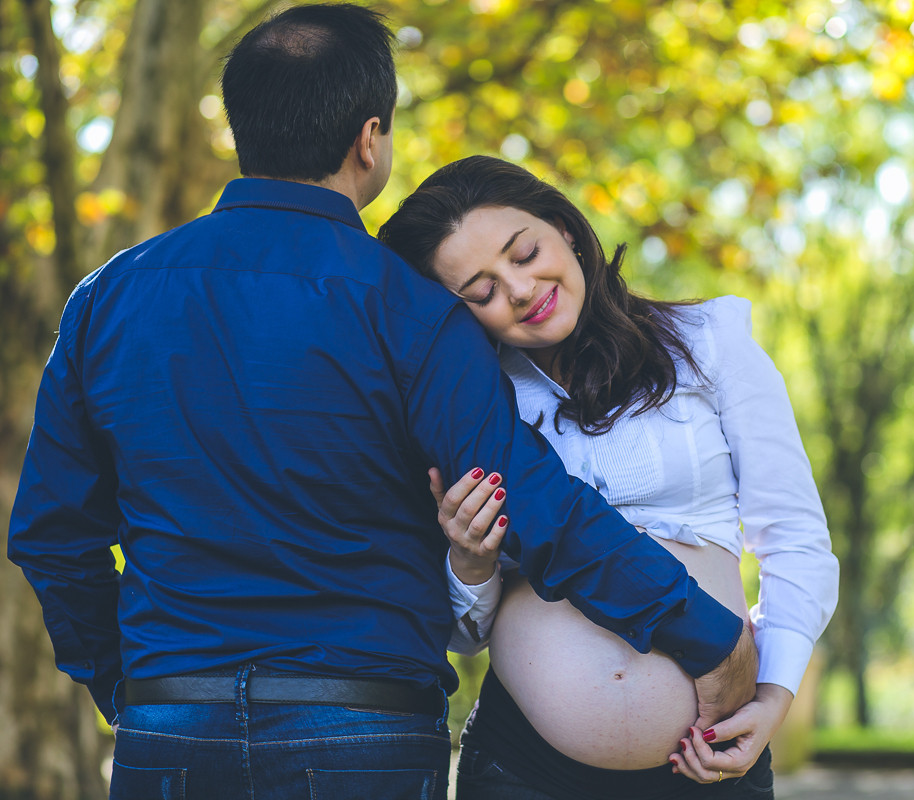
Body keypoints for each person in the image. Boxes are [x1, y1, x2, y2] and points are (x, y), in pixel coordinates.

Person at [5, 7, 758, 800]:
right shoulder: (410, 310)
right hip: (364, 732)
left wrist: (132, 689)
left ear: (243, 127)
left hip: (172, 724)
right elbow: (526, 499)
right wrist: (706, 634)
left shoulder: (107, 300)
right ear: (370, 139)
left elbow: (54, 538)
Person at [378, 155, 839, 800]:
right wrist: (470, 561)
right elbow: (465, 637)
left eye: (524, 251)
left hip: (710, 754)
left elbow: (794, 536)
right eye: (479, 291)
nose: (517, 288)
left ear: (565, 229)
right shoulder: (472, 407)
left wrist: (774, 693)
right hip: (523, 768)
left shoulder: (710, 341)